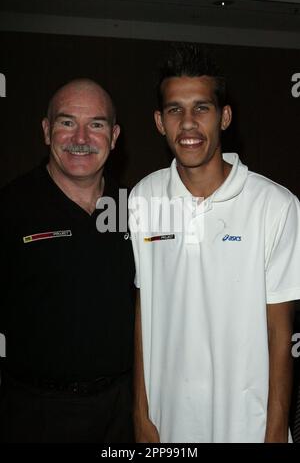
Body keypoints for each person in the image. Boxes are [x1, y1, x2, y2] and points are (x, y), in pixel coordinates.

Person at [129, 44, 300, 443]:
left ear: (224, 116)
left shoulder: (275, 205)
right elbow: (145, 308)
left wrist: (275, 433)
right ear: (159, 121)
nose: (187, 124)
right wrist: (141, 414)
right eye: (175, 110)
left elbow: (280, 330)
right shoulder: (143, 197)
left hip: (247, 427)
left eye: (201, 108)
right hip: (166, 425)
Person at [0, 78, 135, 442]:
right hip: (36, 412)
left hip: (122, 409)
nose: (80, 138)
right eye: (66, 122)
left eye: (96, 124)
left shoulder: (136, 209)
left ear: (115, 135)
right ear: (46, 131)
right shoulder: (10, 208)